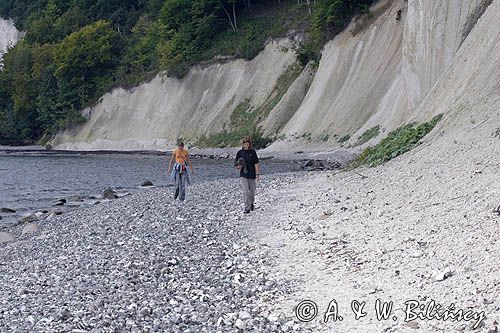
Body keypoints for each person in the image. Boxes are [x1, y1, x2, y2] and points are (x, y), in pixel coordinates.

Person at [235, 137, 260, 213]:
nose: (247, 146)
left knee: (251, 192)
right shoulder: (240, 152)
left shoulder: (253, 152)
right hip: (243, 175)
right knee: (245, 191)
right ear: (243, 144)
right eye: (245, 144)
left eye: (248, 145)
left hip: (252, 174)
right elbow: (236, 165)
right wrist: (239, 166)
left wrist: (257, 174)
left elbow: (256, 164)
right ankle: (247, 208)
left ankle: (251, 203)